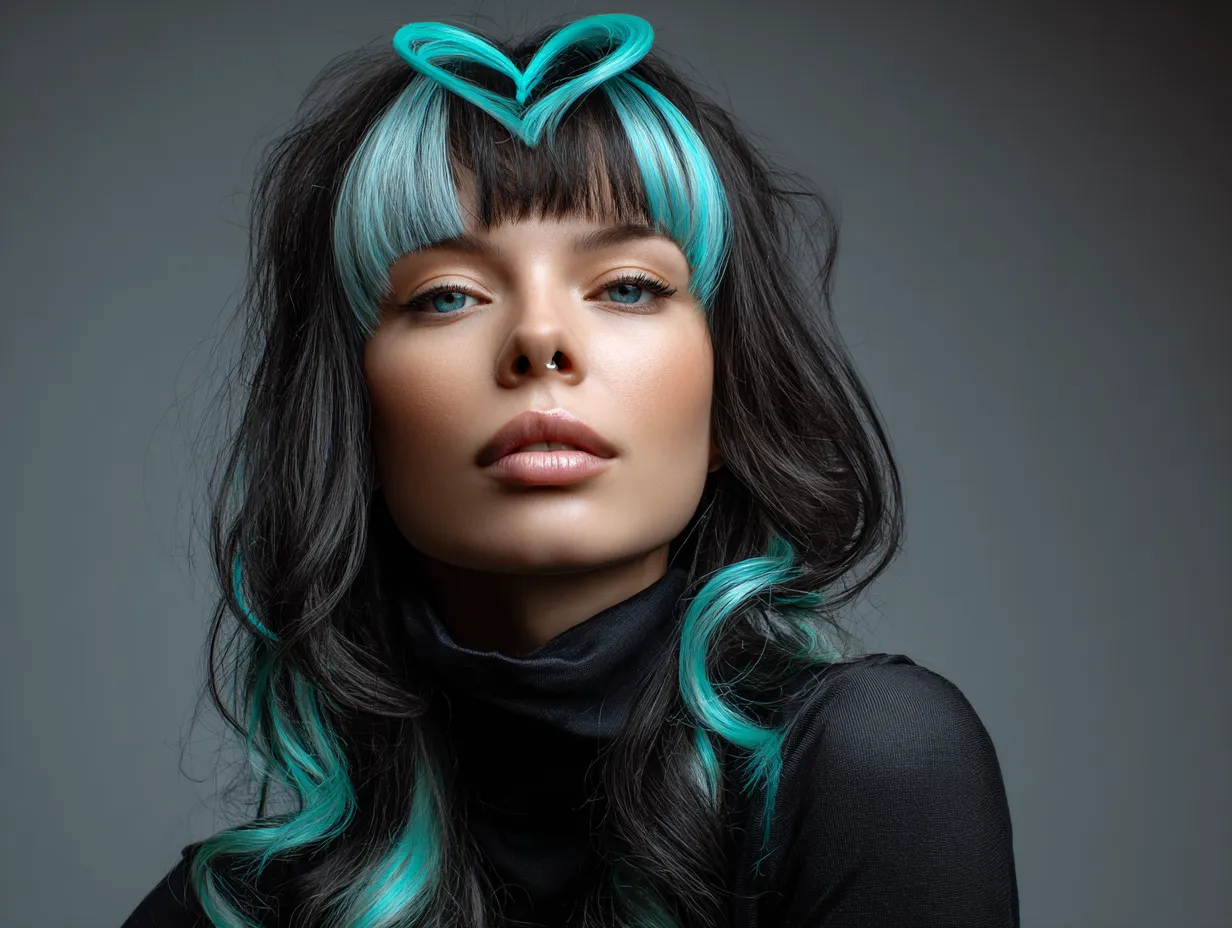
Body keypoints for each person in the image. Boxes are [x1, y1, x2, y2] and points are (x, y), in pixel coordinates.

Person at [122, 13, 1018, 928]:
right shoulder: (236, 909)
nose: (540, 340)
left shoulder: (880, 761)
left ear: (727, 400)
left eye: (629, 286)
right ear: (353, 416)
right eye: (446, 296)